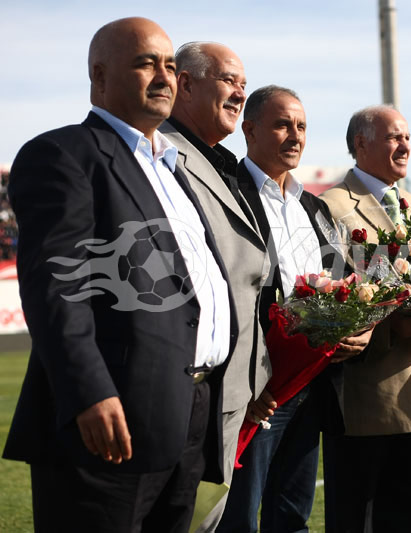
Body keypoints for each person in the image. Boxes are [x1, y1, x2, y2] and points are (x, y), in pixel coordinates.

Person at [2, 17, 235, 533]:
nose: (163, 76)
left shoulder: (172, 166)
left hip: (190, 414)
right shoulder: (64, 154)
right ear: (99, 76)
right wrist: (88, 391)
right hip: (112, 420)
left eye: (170, 65)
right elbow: (56, 285)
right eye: (145, 63)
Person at [217, 85, 371, 532]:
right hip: (256, 390)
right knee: (239, 518)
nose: (295, 135)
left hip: (313, 386)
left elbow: (344, 284)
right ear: (249, 130)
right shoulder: (228, 193)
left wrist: (359, 329)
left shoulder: (314, 207)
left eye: (301, 126)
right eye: (283, 124)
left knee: (292, 516)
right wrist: (245, 384)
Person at [158, 41, 271, 531]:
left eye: (244, 84)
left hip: (232, 391)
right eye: (229, 80)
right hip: (179, 392)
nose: (240, 93)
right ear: (185, 84)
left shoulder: (221, 162)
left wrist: (258, 377)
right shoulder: (160, 153)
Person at [319, 104, 411, 532]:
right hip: (363, 398)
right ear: (361, 144)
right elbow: (329, 299)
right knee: (356, 518)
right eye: (393, 137)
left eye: (407, 137)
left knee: (405, 517)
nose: (404, 145)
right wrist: (389, 330)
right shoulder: (330, 206)